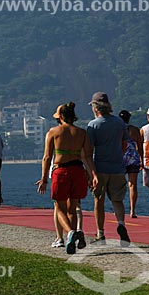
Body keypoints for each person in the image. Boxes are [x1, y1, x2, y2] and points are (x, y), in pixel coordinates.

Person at [36, 103, 98, 254]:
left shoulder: (53, 132)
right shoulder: (82, 133)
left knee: (59, 207)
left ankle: (70, 232)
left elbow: (47, 157)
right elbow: (88, 156)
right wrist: (93, 175)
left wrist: (44, 178)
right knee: (73, 208)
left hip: (61, 171)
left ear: (61, 116)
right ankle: (74, 235)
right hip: (78, 171)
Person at [86, 92, 131, 246]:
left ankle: (100, 234)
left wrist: (91, 172)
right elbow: (125, 143)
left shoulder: (93, 125)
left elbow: (89, 150)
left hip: (100, 168)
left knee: (99, 200)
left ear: (95, 107)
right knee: (117, 200)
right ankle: (121, 224)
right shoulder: (119, 122)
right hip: (118, 167)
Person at [119, 110, 143, 218]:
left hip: (121, 158)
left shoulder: (117, 130)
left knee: (119, 185)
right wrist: (142, 159)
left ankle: (119, 209)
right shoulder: (135, 130)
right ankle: (132, 211)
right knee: (133, 185)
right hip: (133, 158)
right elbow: (140, 147)